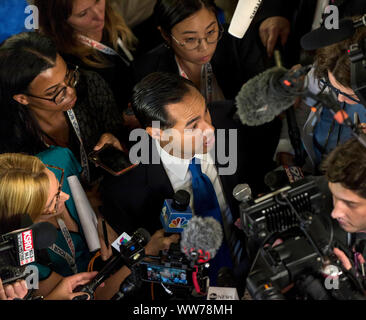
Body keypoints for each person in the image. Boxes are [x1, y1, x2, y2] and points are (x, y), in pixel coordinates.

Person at [101, 72, 281, 292]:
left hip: (259, 269)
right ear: (156, 132)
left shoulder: (234, 121)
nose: (210, 129)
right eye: (193, 126)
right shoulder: (125, 191)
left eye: (205, 111)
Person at [0, 149, 179, 300]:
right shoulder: (22, 262)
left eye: (59, 184)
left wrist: (98, 216)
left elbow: (92, 192)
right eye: (53, 203)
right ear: (26, 215)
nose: (66, 196)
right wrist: (145, 256)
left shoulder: (58, 159)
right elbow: (94, 296)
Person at [0, 32, 126, 184]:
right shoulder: (9, 135)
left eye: (68, 76)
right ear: (22, 98)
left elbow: (121, 132)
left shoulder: (90, 85)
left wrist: (117, 140)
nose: (71, 92)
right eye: (55, 92)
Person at [132, 0, 271, 104]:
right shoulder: (146, 71)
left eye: (211, 32)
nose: (205, 47)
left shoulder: (238, 42)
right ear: (166, 35)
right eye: (191, 39)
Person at [275, 23, 366, 173]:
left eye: (350, 95)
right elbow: (301, 108)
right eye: (335, 89)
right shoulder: (329, 69)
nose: (340, 99)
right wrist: (287, 149)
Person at [33, 0, 137, 114]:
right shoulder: (66, 64)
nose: (99, 15)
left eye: (97, 1)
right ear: (60, 20)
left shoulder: (113, 12)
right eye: (83, 14)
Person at [321, 137, 366, 287]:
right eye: (335, 196)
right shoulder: (322, 189)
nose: (335, 213)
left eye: (350, 203)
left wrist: (351, 288)